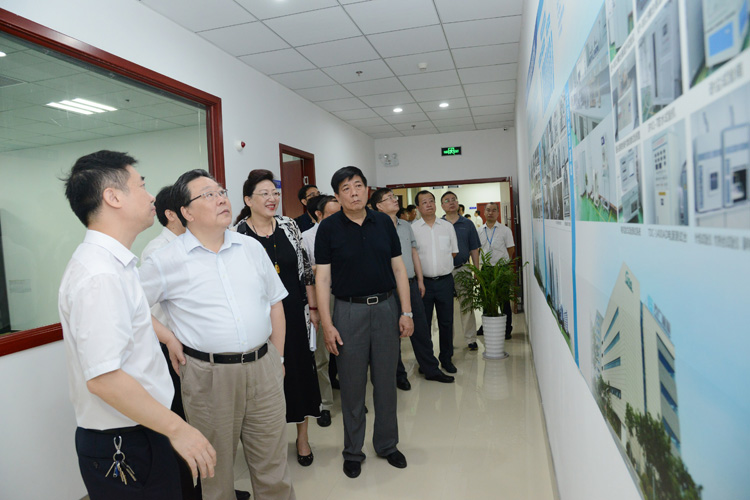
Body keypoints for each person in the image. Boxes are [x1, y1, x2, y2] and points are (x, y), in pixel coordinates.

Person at [58, 151, 216, 500]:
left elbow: (132, 318)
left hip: (144, 425)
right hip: (125, 440)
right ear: (112, 197)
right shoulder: (100, 275)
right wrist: (179, 429)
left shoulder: (116, 264)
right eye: (141, 186)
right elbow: (104, 378)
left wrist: (167, 337)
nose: (150, 196)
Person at [140, 169, 295, 500]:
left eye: (222, 192)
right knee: (215, 472)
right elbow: (130, 307)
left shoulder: (250, 248)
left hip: (264, 367)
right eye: (209, 195)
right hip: (209, 376)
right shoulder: (165, 259)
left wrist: (278, 358)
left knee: (274, 467)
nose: (222, 199)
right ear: (186, 211)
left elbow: (275, 304)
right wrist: (168, 337)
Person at [143, 186, 250, 500]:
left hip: (199, 352)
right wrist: (170, 338)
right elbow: (139, 308)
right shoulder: (157, 251)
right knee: (187, 422)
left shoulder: (206, 245)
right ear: (175, 214)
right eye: (202, 200)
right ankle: (194, 491)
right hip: (173, 349)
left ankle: (218, 486)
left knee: (212, 426)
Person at [315, 166, 414, 479]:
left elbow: (399, 268)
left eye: (358, 185)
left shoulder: (383, 222)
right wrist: (327, 324)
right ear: (337, 196)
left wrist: (406, 311)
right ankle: (353, 451)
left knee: (385, 382)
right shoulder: (328, 228)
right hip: (348, 311)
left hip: (385, 308)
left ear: (367, 190)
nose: (354, 192)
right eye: (346, 188)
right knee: (352, 386)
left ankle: (387, 444)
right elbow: (322, 278)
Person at [234, 169, 322, 466]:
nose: (272, 198)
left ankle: (302, 438)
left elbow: (305, 270)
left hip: (294, 314)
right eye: (264, 194)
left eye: (275, 193)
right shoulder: (237, 235)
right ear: (248, 200)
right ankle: (269, 443)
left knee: (299, 375)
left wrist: (313, 309)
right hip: (258, 319)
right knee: (265, 383)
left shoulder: (289, 226)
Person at [369, 188, 455, 389]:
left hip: (411, 285)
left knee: (421, 329)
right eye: (389, 198)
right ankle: (399, 375)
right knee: (393, 333)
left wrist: (420, 280)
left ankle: (431, 369)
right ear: (379, 206)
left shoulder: (406, 226)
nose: (394, 200)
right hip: (388, 288)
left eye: (394, 196)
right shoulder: (373, 228)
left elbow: (414, 253)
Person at [301, 194, 341, 428]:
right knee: (322, 357)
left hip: (347, 297)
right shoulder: (306, 238)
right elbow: (306, 274)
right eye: (332, 214)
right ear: (318, 214)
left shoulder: (347, 232)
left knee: (348, 352)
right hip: (321, 298)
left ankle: (351, 398)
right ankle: (325, 404)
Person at [411, 190, 459, 373]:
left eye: (431, 201)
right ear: (418, 207)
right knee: (423, 324)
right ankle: (426, 362)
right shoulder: (413, 229)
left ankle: (446, 358)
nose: (429, 204)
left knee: (446, 322)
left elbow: (453, 252)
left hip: (445, 281)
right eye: (424, 202)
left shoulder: (447, 226)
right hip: (423, 284)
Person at [440, 191, 481, 351]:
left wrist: (476, 270)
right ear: (442, 206)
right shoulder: (438, 224)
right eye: (447, 200)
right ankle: (447, 341)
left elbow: (474, 248)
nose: (451, 202)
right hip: (444, 271)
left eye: (453, 200)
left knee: (467, 305)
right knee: (445, 308)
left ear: (458, 203)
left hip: (462, 269)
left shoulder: (467, 224)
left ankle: (471, 339)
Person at [477, 202, 516, 340]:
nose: (490, 213)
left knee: (503, 300)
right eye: (488, 210)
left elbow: (511, 249)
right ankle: (486, 326)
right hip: (486, 269)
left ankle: (507, 329)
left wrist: (504, 265)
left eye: (494, 210)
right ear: (484, 212)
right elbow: (477, 250)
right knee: (486, 299)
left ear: (498, 213)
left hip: (501, 269)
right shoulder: (479, 231)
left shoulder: (505, 230)